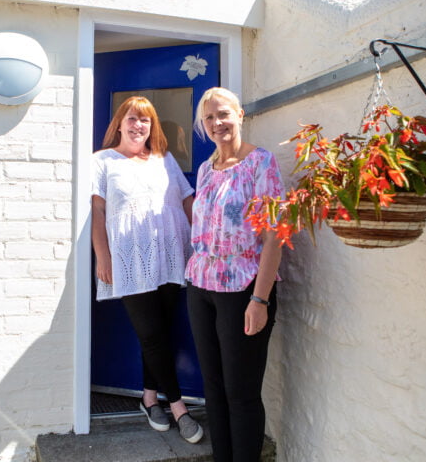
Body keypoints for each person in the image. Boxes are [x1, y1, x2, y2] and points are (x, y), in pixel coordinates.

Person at [91, 96, 204, 444]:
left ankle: (149, 398)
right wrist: (103, 256)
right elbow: (96, 212)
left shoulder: (164, 159)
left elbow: (187, 199)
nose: (139, 125)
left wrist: (204, 241)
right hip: (130, 259)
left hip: (171, 254)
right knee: (153, 336)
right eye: (133, 118)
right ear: (119, 123)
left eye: (146, 120)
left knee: (160, 334)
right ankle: (180, 408)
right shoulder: (102, 162)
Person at [185, 87, 284, 461]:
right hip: (200, 288)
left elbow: (275, 235)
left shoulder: (261, 163)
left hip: (243, 290)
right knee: (213, 388)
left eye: (223, 114)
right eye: (209, 118)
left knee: (241, 393)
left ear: (240, 114)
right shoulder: (206, 169)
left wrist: (260, 299)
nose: (217, 123)